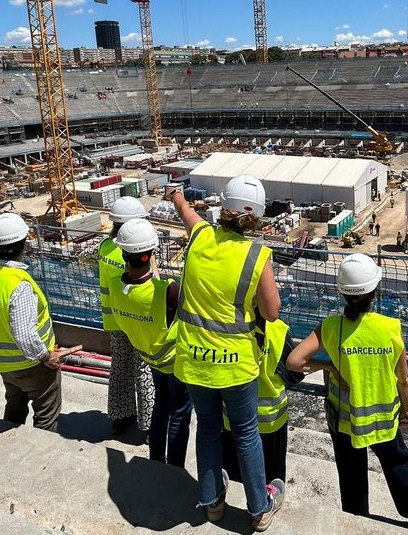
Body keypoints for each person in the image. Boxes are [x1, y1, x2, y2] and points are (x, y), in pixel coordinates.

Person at [288, 253, 408, 533]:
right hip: (383, 418)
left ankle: (356, 520)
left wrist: (331, 367)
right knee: (397, 463)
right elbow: (403, 379)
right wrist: (405, 408)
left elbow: (294, 362)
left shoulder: (332, 327)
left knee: (350, 473)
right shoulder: (389, 328)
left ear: (342, 292)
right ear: (375, 291)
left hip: (343, 419)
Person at [167, 177, 285, 531]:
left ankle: (212, 504)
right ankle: (259, 509)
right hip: (236, 364)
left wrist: (176, 194)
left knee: (207, 428)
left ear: (224, 207)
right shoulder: (256, 255)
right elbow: (272, 312)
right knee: (246, 433)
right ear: (258, 215)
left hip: (194, 359)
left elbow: (185, 211)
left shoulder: (201, 236)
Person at [0, 212, 68, 432]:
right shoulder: (19, 285)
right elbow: (24, 334)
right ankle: (39, 457)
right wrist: (46, 356)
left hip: (3, 363)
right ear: (24, 243)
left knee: (14, 405)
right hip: (34, 365)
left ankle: (11, 445)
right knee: (46, 415)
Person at [111, 218, 192, 466]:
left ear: (124, 254)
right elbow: (165, 294)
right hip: (175, 362)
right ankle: (175, 466)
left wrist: (148, 257)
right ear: (151, 255)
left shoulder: (115, 286)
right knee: (179, 412)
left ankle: (156, 460)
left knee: (161, 407)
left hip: (150, 357)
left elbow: (143, 284)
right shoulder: (167, 290)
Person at [222, 317, 303, 485]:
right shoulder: (278, 330)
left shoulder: (227, 325)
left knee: (235, 474)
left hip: (232, 416)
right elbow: (294, 374)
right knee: (271, 478)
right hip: (271, 421)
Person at [99, 196, 154, 436]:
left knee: (119, 367)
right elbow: (154, 284)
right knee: (143, 369)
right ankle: (149, 423)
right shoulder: (134, 253)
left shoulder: (104, 248)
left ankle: (120, 416)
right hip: (138, 322)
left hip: (114, 320)